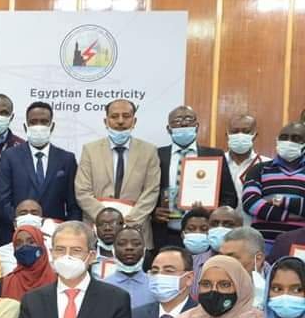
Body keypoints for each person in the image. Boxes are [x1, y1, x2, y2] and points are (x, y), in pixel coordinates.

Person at [75, 99, 161, 249]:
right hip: (96, 230)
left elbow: (151, 191)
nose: (120, 121)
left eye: (126, 116)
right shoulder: (90, 150)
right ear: (106, 121)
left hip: (136, 230)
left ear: (134, 121)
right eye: (114, 116)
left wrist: (129, 221)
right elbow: (82, 192)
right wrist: (108, 220)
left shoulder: (149, 151)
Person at [0, 100, 80, 246]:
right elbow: (2, 200)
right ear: (25, 126)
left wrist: (67, 233)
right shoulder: (9, 156)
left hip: (53, 239)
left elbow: (73, 205)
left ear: (52, 126)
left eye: (44, 122)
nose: (38, 126)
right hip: (14, 237)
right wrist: (23, 222)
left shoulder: (66, 159)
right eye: (33, 122)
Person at [152, 105, 236, 249]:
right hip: (165, 234)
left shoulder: (214, 155)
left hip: (204, 235)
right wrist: (153, 213)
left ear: (197, 126)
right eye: (177, 121)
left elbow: (230, 198)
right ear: (168, 128)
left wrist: (212, 212)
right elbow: (145, 193)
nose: (183, 124)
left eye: (188, 119)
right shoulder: (157, 155)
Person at [242, 121, 305, 247]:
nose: (288, 141)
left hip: (299, 246)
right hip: (262, 244)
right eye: (284, 137)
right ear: (277, 140)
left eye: (296, 138)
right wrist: (291, 216)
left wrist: (280, 201)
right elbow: (250, 202)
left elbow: (259, 204)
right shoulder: (259, 169)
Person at [225, 114, 270, 225]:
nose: (240, 135)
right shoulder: (217, 162)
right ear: (227, 134)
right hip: (221, 228)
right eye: (235, 131)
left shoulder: (268, 165)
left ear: (255, 135)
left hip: (254, 228)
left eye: (246, 131)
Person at [0, 224, 56, 301]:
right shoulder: (3, 285)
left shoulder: (59, 282)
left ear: (41, 246)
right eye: (19, 244)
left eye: (31, 242)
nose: (25, 246)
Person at [0, 200, 54, 276]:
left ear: (42, 222)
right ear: (15, 223)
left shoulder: (53, 249)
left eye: (34, 213)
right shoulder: (2, 253)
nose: (29, 216)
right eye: (23, 213)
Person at [104, 226, 155, 307]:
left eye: (136, 244)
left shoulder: (156, 285)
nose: (129, 248)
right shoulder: (102, 286)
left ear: (144, 250)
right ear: (113, 250)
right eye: (122, 244)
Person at [221, 226, 268, 308]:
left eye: (232, 258)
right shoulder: (214, 281)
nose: (223, 263)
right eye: (221, 257)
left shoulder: (280, 283)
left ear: (258, 259)